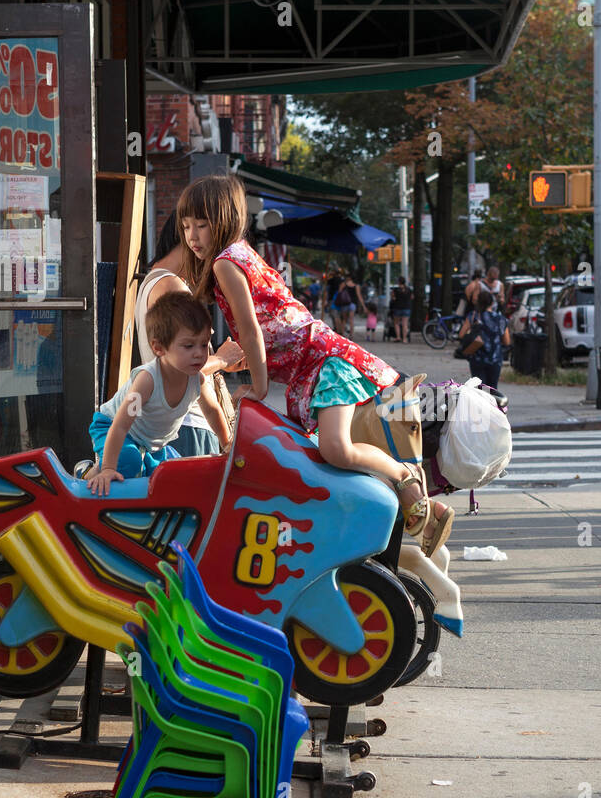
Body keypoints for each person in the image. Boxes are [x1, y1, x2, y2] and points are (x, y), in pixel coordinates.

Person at [176, 174, 454, 556]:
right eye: (186, 226)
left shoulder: (226, 263)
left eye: (201, 224)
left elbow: (254, 331)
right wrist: (228, 359)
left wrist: (257, 387)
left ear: (224, 219)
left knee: (335, 451)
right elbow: (263, 326)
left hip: (324, 362)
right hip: (315, 363)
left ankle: (404, 477)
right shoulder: (237, 254)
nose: (193, 235)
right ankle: (413, 506)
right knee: (321, 453)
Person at [87, 292, 227, 496]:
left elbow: (212, 411)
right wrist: (109, 467)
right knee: (128, 462)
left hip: (150, 443)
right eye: (188, 346)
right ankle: (89, 476)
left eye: (204, 344)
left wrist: (227, 444)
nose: (199, 353)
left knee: (164, 479)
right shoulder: (148, 381)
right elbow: (121, 424)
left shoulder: (198, 380)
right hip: (112, 428)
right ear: (159, 348)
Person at [136, 210, 245, 453]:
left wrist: (222, 364)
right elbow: (174, 372)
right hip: (188, 427)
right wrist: (220, 358)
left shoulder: (153, 281)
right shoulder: (171, 285)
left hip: (179, 425)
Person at [459, 289, 511, 390]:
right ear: (492, 303)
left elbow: (461, 334)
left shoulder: (473, 316)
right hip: (495, 358)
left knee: (479, 389)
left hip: (477, 358)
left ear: (478, 302)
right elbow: (507, 341)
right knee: (492, 390)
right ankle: (490, 406)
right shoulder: (500, 319)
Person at [391, 277, 413, 342]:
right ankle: (404, 339)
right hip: (406, 308)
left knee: (396, 323)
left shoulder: (396, 290)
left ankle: (398, 337)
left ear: (399, 282)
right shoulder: (409, 289)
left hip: (397, 307)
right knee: (405, 324)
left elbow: (393, 298)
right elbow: (412, 297)